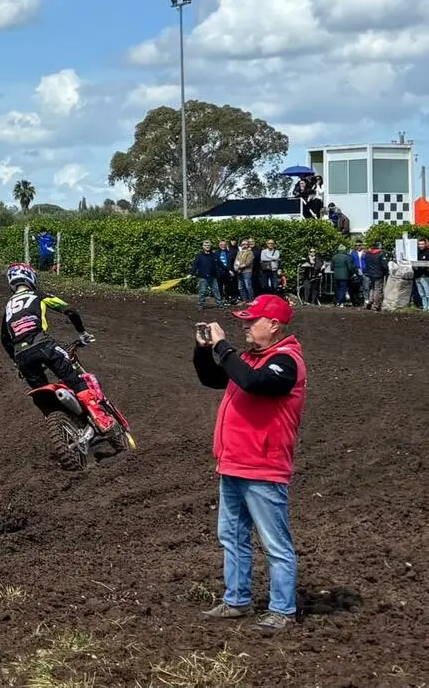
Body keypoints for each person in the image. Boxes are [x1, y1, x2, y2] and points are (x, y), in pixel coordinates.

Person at [193, 294, 307, 632]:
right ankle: (237, 599)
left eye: (250, 321)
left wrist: (223, 348)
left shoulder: (286, 361)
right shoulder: (250, 358)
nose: (244, 326)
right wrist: (204, 350)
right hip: (234, 463)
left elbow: (255, 383)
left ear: (273, 325)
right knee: (231, 536)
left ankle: (282, 609)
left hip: (263, 466)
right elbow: (214, 379)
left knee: (274, 542)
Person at [0, 262, 116, 433]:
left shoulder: (8, 307)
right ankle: (101, 419)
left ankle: (64, 430)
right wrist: (82, 333)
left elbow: (4, 339)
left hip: (21, 356)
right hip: (43, 345)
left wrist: (16, 362)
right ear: (30, 277)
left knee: (42, 395)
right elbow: (70, 311)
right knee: (75, 380)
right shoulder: (38, 295)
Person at [192, 240, 224, 309]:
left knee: (216, 291)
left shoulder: (214, 255)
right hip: (203, 277)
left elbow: (220, 264)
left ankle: (219, 304)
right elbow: (195, 265)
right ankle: (200, 305)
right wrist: (191, 273)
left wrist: (229, 270)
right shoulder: (199, 256)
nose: (207, 247)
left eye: (209, 245)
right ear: (203, 246)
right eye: (206, 245)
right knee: (202, 291)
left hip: (213, 276)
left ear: (210, 246)